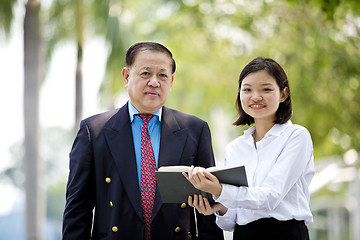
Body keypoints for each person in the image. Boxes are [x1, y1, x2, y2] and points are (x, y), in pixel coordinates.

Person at [62, 42, 224, 240]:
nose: (154, 82)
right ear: (126, 76)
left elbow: (208, 210)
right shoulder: (94, 131)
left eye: (163, 75)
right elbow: (77, 209)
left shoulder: (194, 129)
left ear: (171, 81)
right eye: (146, 73)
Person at [183, 57, 314, 240]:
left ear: (284, 94)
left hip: (285, 234)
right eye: (247, 89)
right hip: (244, 235)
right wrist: (219, 207)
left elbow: (271, 196)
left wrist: (220, 191)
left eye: (266, 89)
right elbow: (231, 222)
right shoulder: (234, 148)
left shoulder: (296, 136)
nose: (255, 96)